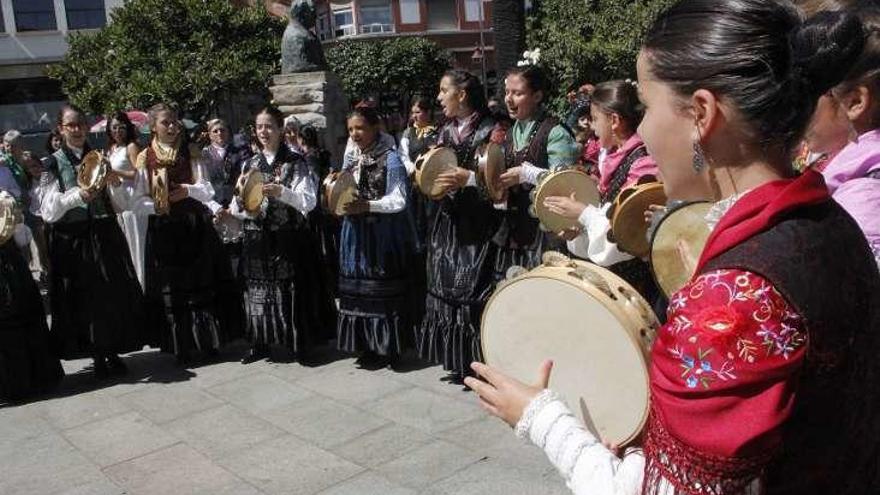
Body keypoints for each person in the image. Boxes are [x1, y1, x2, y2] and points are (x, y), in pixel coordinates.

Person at [466, 2, 880, 494]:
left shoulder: (734, 295)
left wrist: (539, 415)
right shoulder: (832, 221)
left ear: (701, 114)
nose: (639, 130)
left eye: (647, 104)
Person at [39, 105, 145, 377]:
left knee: (111, 293)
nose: (76, 130)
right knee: (83, 298)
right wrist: (77, 196)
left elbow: (116, 196)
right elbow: (48, 210)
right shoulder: (52, 162)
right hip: (72, 237)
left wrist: (114, 181)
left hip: (102, 229)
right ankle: (96, 354)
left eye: (80, 125)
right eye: (71, 125)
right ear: (61, 129)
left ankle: (112, 349)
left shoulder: (98, 156)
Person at [136, 103, 241, 363]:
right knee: (174, 287)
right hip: (164, 230)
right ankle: (181, 345)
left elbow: (206, 190)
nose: (172, 127)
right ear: (153, 127)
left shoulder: (190, 150)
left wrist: (186, 190)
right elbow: (137, 201)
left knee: (201, 281)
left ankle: (209, 341)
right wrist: (159, 206)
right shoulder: (144, 156)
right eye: (166, 123)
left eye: (174, 122)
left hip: (194, 224)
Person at [416, 70, 502, 383]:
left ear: (461, 94)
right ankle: (457, 358)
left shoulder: (492, 130)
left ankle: (480, 361)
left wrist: (467, 180)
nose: (439, 98)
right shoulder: (444, 132)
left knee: (475, 288)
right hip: (448, 222)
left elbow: (499, 182)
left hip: (478, 225)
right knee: (445, 285)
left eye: (443, 91)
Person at [542, 80, 664, 299]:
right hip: (613, 280)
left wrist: (583, 213)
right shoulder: (614, 159)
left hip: (635, 286)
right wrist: (579, 229)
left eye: (595, 119)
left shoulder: (643, 163)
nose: (592, 126)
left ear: (614, 120)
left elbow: (628, 231)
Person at [231, 107, 335, 363]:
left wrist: (282, 193)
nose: (264, 132)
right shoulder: (250, 163)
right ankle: (260, 342)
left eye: (269, 126)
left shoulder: (294, 161)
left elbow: (309, 202)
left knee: (291, 291)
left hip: (288, 236)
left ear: (280, 129)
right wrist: (240, 209)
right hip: (256, 237)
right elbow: (240, 202)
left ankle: (298, 343)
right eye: (259, 127)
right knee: (257, 291)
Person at [337, 106, 417, 369]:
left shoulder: (390, 158)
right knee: (357, 290)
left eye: (360, 128)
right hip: (355, 234)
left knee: (382, 290)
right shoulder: (351, 158)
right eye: (351, 129)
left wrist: (368, 206)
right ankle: (367, 346)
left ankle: (389, 347)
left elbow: (399, 199)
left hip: (381, 234)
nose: (355, 133)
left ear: (374, 128)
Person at [808, 7, 880, 268]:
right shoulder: (847, 167)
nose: (797, 106)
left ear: (855, 102)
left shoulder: (863, 201)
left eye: (809, 92)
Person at [494, 64, 579, 280]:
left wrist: (525, 174)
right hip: (517, 234)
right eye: (507, 93)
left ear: (537, 95)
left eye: (518, 93)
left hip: (546, 237)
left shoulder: (555, 132)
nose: (509, 100)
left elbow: (565, 183)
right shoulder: (513, 131)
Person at [0, 194, 63, 400]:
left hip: (10, 266)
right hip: (10, 268)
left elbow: (21, 235)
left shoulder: (3, 199)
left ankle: (28, 380)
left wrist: (14, 217)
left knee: (20, 318)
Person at [104, 112, 148, 289]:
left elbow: (138, 173)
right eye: (114, 127)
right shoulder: (111, 149)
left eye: (121, 127)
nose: (117, 131)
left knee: (137, 246)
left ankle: (142, 285)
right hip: (117, 203)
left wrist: (115, 173)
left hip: (133, 202)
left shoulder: (131, 147)